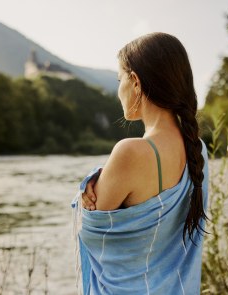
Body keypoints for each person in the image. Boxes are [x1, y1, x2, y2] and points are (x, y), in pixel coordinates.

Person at [71, 32, 209, 295]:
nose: (118, 90)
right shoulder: (198, 150)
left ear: (135, 82)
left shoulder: (131, 153)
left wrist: (88, 185)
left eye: (119, 79)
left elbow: (88, 230)